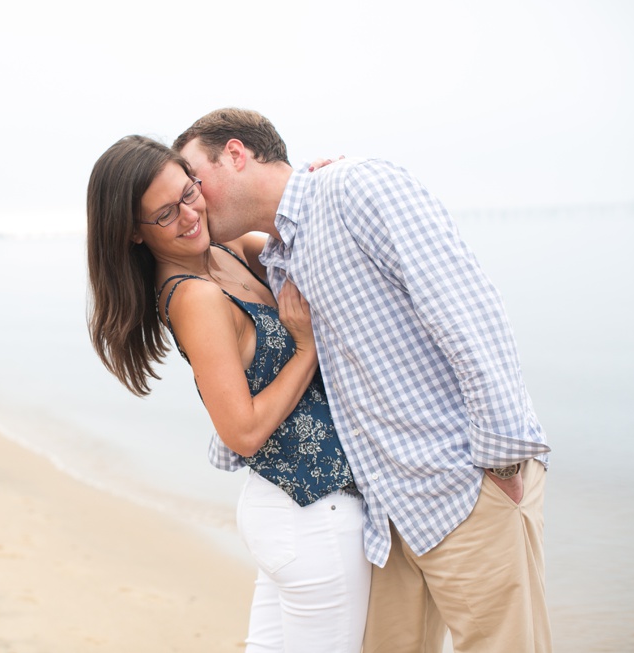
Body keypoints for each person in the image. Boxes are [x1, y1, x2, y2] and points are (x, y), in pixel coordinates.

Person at [173, 108, 553, 653]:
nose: (195, 200)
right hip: (387, 514)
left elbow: (470, 317)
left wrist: (504, 461)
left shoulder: (355, 187)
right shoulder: (277, 257)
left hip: (464, 487)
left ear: (235, 154)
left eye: (195, 182)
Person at [86, 135, 370, 652]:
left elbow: (307, 243)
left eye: (189, 193)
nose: (190, 215)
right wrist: (305, 349)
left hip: (291, 511)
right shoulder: (192, 297)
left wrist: (321, 182)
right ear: (132, 232)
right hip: (310, 518)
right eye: (165, 214)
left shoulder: (226, 250)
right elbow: (241, 432)